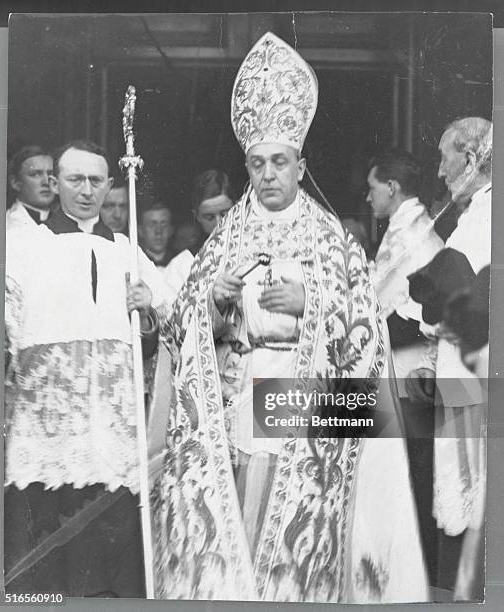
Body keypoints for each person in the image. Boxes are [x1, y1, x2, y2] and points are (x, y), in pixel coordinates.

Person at [151, 32, 427, 603]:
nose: (268, 174)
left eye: (279, 162)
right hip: (238, 396)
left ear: (300, 166)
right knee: (239, 528)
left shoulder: (333, 239)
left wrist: (314, 305)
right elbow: (179, 330)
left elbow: (369, 332)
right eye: (257, 163)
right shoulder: (226, 235)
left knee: (295, 535)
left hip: (306, 407)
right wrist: (213, 306)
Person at [5, 139, 167, 597]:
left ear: (111, 185)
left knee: (107, 564)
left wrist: (148, 309)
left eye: (97, 180)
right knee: (47, 569)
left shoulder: (129, 251)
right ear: (56, 183)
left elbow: (157, 338)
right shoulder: (20, 247)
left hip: (111, 434)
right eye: (75, 179)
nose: (86, 190)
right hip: (47, 433)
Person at [406, 117, 491, 600]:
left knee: (470, 501)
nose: (439, 172)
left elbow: (465, 301)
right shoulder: (474, 214)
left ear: (472, 160)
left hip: (475, 382)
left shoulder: (487, 215)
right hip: (459, 376)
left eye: (445, 158)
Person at [366, 148, 444, 586]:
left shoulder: (412, 235)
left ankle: (415, 577)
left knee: (413, 471)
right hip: (399, 366)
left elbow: (410, 312)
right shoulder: (404, 227)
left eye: (372, 188)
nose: (368, 198)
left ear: (392, 189)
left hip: (412, 367)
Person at [162, 169, 235, 305]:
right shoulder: (181, 265)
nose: (219, 223)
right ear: (197, 216)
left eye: (224, 214)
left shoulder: (253, 250)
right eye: (209, 217)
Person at [6, 144, 55, 230]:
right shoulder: (8, 226)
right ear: (15, 183)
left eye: (51, 174)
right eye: (35, 174)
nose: (46, 182)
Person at [138, 201, 175, 269]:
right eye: (152, 225)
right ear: (140, 230)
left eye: (163, 224)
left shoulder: (180, 261)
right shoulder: (135, 261)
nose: (158, 231)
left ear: (171, 230)